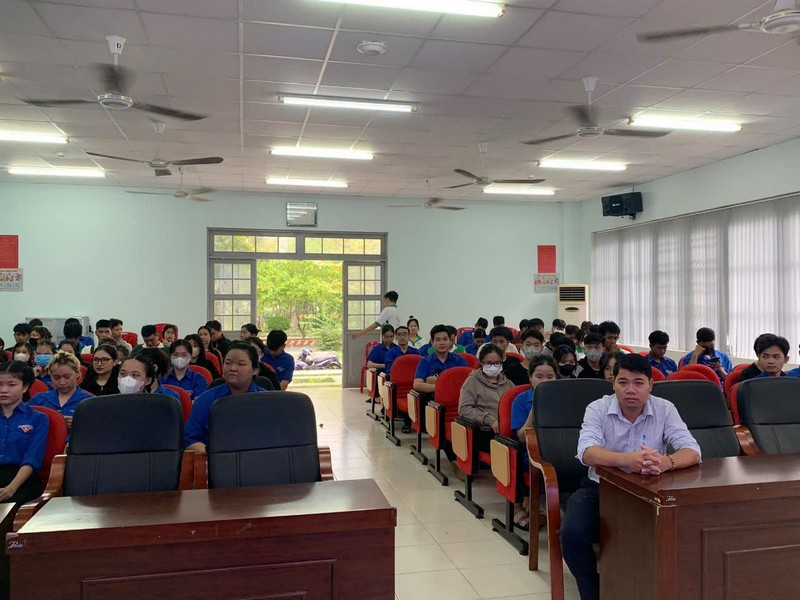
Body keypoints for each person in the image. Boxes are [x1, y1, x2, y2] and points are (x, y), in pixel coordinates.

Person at [561, 354, 701, 600]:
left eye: (638, 383)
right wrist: (627, 460)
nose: (630, 390)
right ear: (613, 383)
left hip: (649, 490)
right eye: (623, 382)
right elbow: (586, 452)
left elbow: (693, 450)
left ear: (650, 385)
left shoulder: (665, 409)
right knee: (572, 533)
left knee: (686, 530)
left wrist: (666, 462)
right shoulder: (598, 408)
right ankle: (593, 590)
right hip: (600, 487)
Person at [185, 341, 267, 452]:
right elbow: (190, 439)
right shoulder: (206, 399)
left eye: (241, 364)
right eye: (228, 363)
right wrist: (214, 455)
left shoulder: (266, 401)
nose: (232, 368)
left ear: (255, 370)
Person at [509, 354, 558, 530]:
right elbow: (521, 436)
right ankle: (529, 503)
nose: (544, 381)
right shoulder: (521, 400)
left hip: (558, 448)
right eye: (539, 376)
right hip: (530, 451)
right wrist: (534, 409)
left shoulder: (562, 398)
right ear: (530, 377)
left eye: (550, 377)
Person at [0, 361, 49, 504]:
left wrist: (11, 488)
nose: (3, 390)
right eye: (0, 384)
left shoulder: (38, 418)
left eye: (11, 385)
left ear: (25, 387)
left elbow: (32, 458)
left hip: (22, 480)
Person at [29, 351, 92, 431]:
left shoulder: (89, 402)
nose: (62, 382)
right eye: (56, 378)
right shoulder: (38, 400)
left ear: (77, 374)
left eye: (67, 377)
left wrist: (79, 424)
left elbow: (98, 429)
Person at [413, 324, 468, 395]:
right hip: (433, 400)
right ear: (432, 342)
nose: (442, 343)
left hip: (456, 398)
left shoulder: (459, 360)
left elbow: (466, 383)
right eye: (438, 340)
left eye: (445, 339)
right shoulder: (425, 361)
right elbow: (417, 385)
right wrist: (444, 386)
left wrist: (439, 381)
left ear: (450, 341)